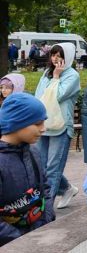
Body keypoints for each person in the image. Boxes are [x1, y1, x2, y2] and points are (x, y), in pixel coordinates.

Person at [0, 94, 54, 245]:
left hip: (37, 236)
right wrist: (21, 240)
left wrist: (45, 221)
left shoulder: (33, 152)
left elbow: (45, 188)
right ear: (17, 123)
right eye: (38, 124)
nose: (43, 129)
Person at [33, 43, 80, 209]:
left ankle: (45, 208)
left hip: (60, 127)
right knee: (40, 166)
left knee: (53, 168)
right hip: (44, 124)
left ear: (67, 57)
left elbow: (57, 96)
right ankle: (66, 188)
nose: (55, 59)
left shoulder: (72, 76)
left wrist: (56, 77)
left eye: (60, 56)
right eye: (53, 55)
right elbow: (39, 96)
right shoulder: (46, 73)